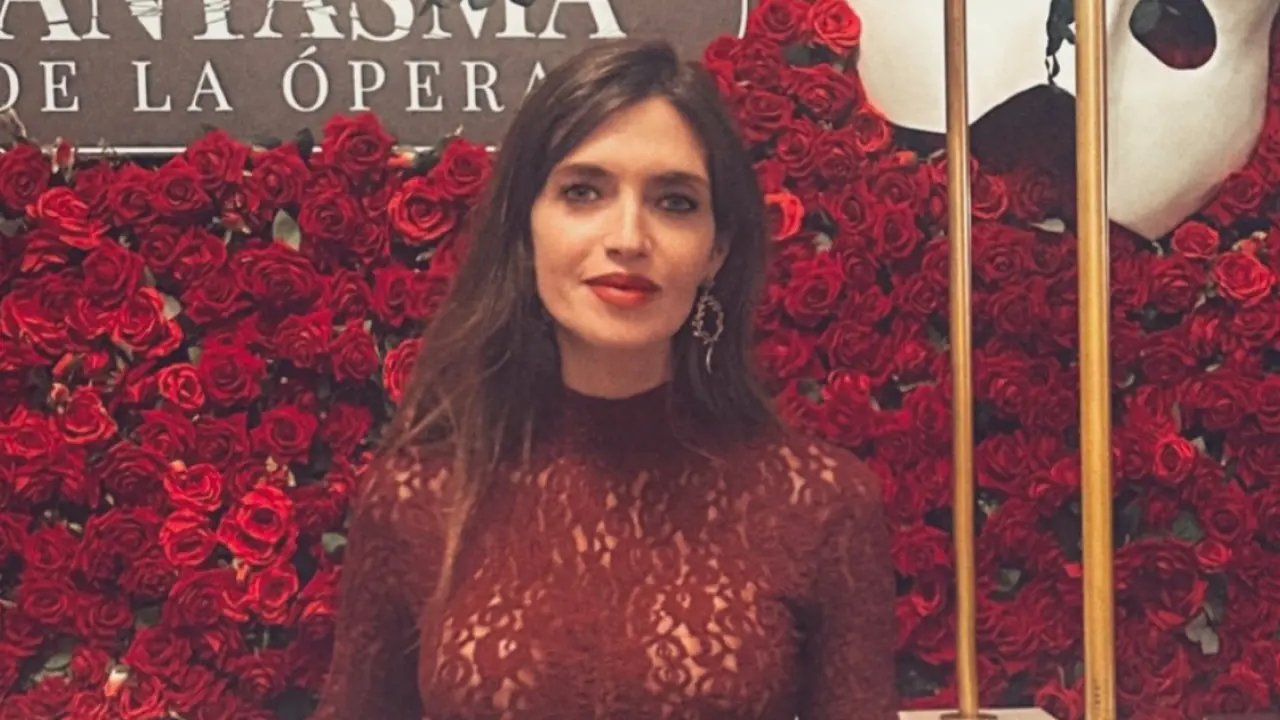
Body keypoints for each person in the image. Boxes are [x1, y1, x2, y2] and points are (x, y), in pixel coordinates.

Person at [314, 39, 899, 720]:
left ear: (716, 249)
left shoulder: (821, 505)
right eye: (583, 192)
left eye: (674, 202)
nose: (627, 238)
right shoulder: (419, 498)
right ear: (526, 228)